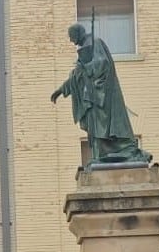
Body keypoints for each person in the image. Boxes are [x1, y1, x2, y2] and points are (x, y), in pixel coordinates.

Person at [50, 22, 150, 165]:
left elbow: (102, 63)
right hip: (93, 98)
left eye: (72, 37)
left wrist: (86, 66)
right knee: (96, 128)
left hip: (103, 97)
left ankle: (122, 151)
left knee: (106, 127)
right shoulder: (85, 48)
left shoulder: (95, 43)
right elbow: (77, 75)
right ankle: (101, 155)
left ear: (78, 33)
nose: (71, 41)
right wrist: (61, 90)